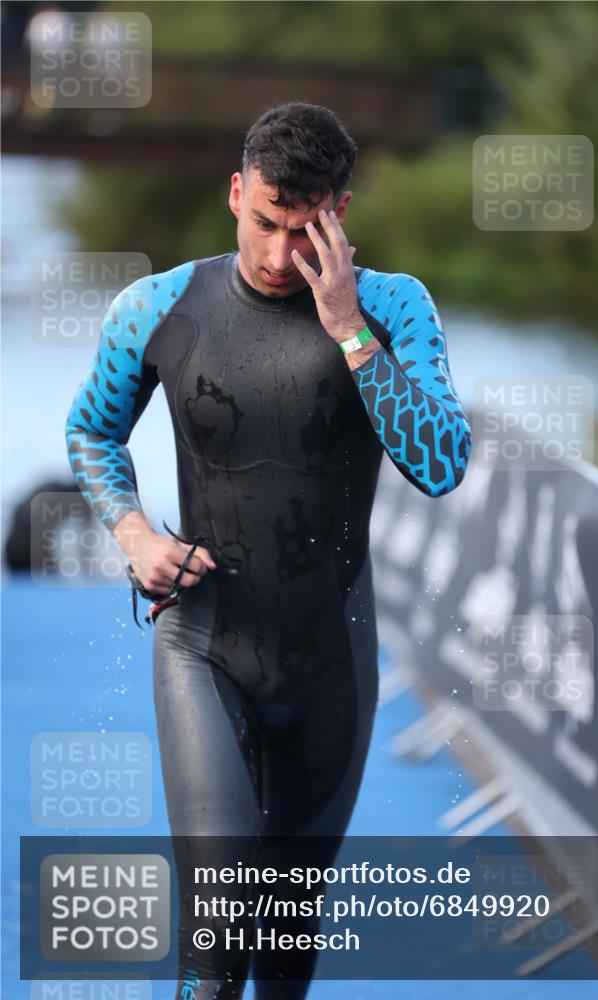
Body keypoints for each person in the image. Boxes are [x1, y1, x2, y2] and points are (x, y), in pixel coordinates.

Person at [65, 101, 471, 1000]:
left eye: (306, 229)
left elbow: (441, 464)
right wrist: (133, 533)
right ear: (236, 192)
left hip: (332, 657)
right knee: (214, 942)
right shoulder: (159, 305)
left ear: (340, 212)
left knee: (282, 962)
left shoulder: (392, 307)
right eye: (265, 223)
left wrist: (347, 331)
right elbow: (92, 432)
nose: (281, 254)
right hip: (206, 643)